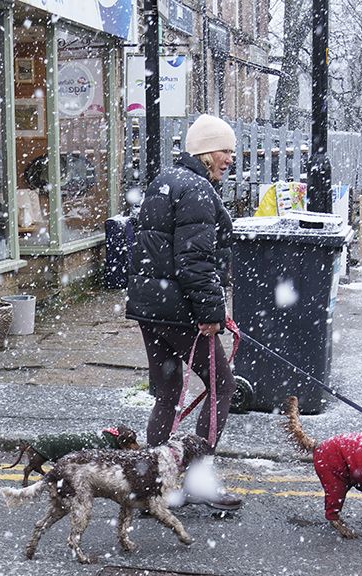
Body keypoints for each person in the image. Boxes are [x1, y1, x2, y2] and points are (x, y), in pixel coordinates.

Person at [126, 113, 243, 511]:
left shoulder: (164, 181)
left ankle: (154, 482)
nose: (230, 157)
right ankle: (198, 478)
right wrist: (211, 311)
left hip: (151, 308)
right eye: (225, 149)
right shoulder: (196, 190)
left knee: (167, 393)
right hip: (182, 312)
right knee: (222, 388)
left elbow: (148, 250)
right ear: (206, 150)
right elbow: (195, 259)